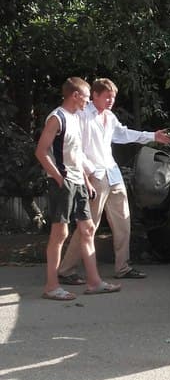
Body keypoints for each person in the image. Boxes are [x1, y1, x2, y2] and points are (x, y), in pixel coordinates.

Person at [58, 78, 170, 283]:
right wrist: (89, 172)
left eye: (113, 97)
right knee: (88, 225)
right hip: (95, 177)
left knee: (123, 223)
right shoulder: (82, 115)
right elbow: (74, 148)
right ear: (95, 95)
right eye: (107, 96)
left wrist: (152, 135)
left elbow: (122, 134)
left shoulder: (109, 117)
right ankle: (66, 270)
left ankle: (123, 267)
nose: (111, 100)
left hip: (113, 174)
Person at [35, 77, 121, 300]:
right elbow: (41, 152)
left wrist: (86, 180)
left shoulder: (75, 118)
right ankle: (51, 287)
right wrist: (58, 177)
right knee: (60, 234)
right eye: (85, 96)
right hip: (62, 183)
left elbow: (77, 154)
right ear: (75, 96)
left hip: (78, 181)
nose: (88, 101)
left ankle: (94, 282)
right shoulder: (57, 117)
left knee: (88, 229)